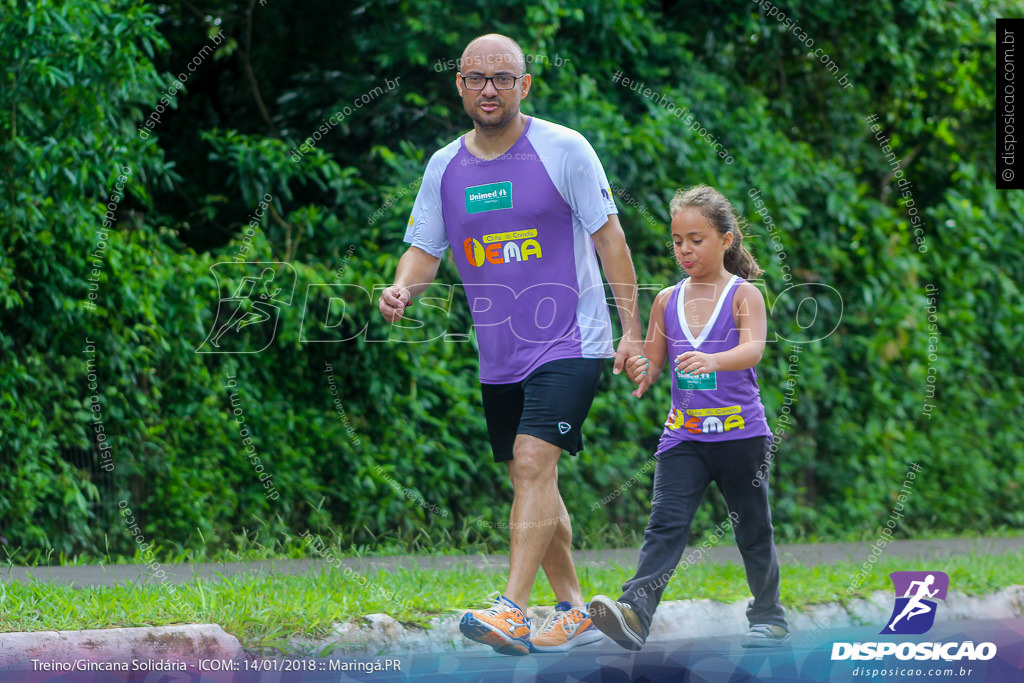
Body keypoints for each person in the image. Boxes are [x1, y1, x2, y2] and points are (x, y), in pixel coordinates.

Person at [377, 33, 644, 655]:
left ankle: (512, 610)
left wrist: (632, 330)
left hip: (571, 340)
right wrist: (400, 289)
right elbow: (424, 250)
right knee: (532, 478)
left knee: (532, 461)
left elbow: (611, 240)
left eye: (502, 78)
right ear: (462, 86)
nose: (489, 88)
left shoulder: (565, 150)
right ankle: (574, 608)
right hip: (499, 354)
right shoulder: (445, 166)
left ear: (525, 85)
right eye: (477, 78)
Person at [589, 184, 790, 649]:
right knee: (665, 524)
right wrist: (642, 369)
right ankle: (635, 614)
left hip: (742, 437)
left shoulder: (745, 296)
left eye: (696, 240)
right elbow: (655, 362)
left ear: (726, 239)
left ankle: (769, 615)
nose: (685, 250)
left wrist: (714, 361)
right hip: (685, 438)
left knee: (753, 527)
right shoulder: (666, 300)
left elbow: (753, 348)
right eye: (677, 240)